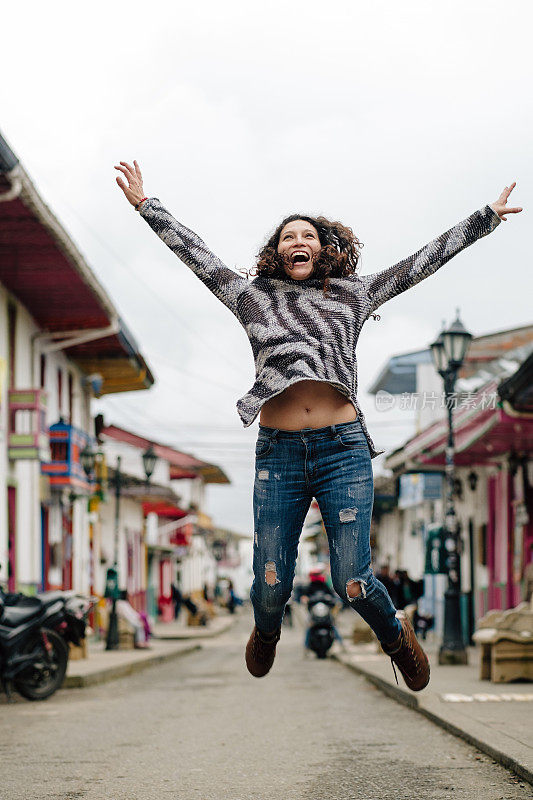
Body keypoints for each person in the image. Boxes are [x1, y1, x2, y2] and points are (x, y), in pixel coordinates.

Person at [115, 160, 522, 692]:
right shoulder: (252, 297)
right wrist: (149, 207)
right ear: (277, 252)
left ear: (324, 248)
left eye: (308, 235)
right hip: (278, 455)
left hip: (342, 450)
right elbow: (198, 257)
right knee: (269, 585)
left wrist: (485, 218)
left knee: (351, 581)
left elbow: (420, 264)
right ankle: (265, 631)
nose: (298, 241)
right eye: (289, 237)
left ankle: (396, 635)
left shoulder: (354, 294)